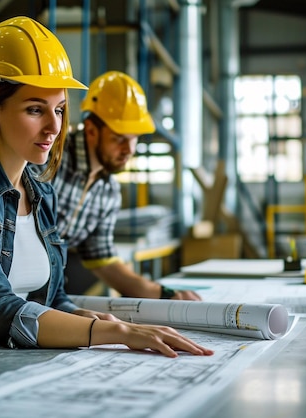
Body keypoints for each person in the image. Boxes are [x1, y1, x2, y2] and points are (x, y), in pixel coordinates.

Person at [0, 17, 212, 377]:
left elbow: (52, 297)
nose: (54, 127)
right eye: (34, 109)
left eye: (58, 109)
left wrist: (86, 316)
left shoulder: (41, 192)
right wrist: (116, 332)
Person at [50, 71, 201, 300]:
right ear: (91, 130)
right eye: (119, 138)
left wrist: (166, 295)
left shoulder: (108, 191)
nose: (129, 150)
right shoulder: (51, 160)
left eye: (134, 138)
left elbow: (103, 260)